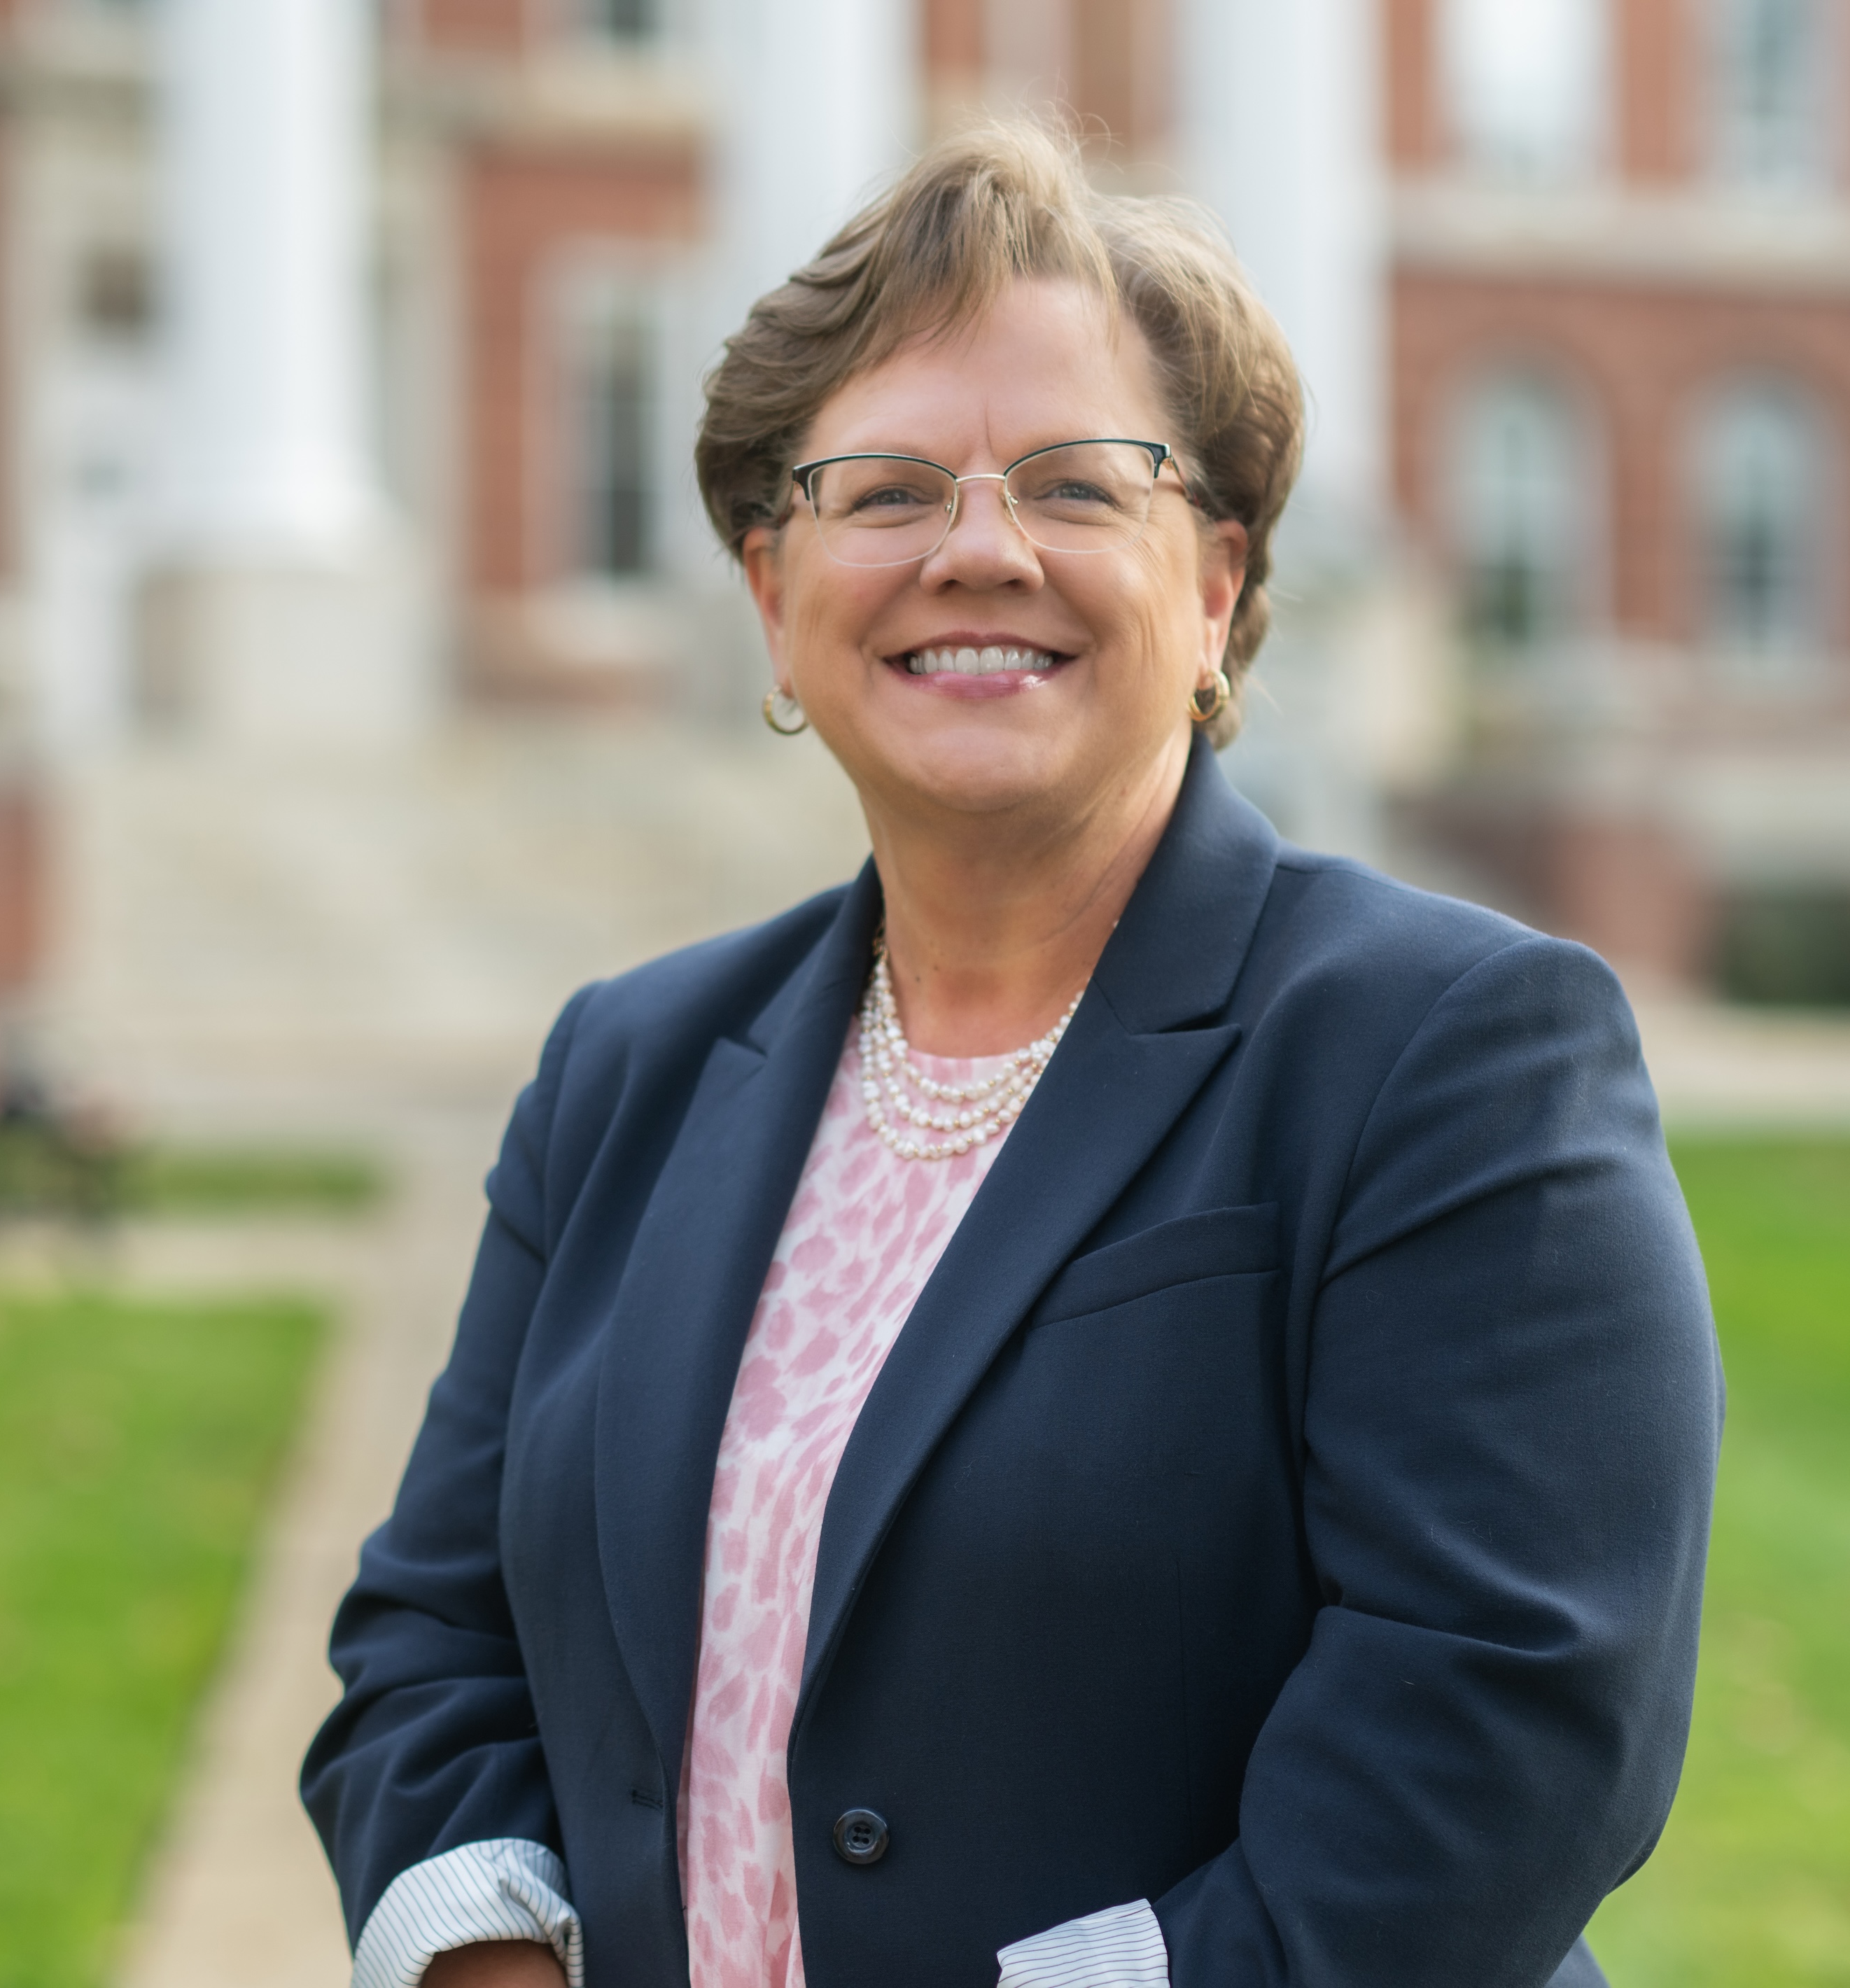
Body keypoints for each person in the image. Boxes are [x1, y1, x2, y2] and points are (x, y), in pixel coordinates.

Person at [302, 123, 1720, 1988]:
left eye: (1073, 484)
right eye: (885, 491)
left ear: (1214, 584)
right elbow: (434, 1639)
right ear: (772, 598)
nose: (979, 552)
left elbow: (1504, 1718)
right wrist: (492, 1958)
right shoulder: (625, 1073)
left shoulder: (1447, 1055)